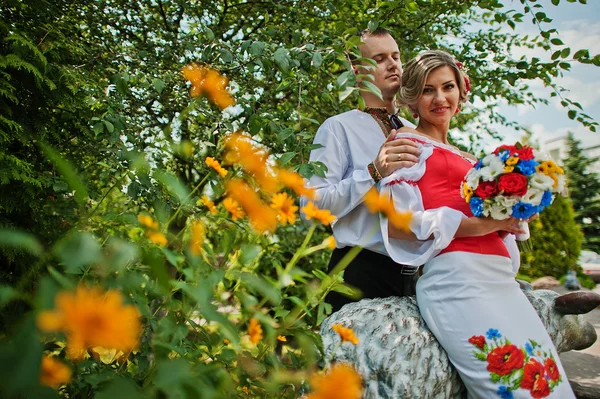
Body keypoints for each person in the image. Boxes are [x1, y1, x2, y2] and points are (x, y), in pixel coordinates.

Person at [379, 50, 575, 398]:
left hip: (502, 280)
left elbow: (492, 220)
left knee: (549, 386)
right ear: (412, 98)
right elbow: (396, 224)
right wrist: (478, 226)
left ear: (460, 92)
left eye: (447, 87)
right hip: (458, 281)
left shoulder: (472, 159)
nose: (439, 98)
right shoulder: (407, 145)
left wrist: (513, 215)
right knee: (512, 390)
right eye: (427, 90)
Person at [304, 27, 421, 312]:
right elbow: (310, 207)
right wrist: (373, 172)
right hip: (358, 272)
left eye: (396, 56)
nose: (393, 64)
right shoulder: (337, 128)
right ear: (358, 71)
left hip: (419, 276)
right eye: (380, 59)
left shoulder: (418, 133)